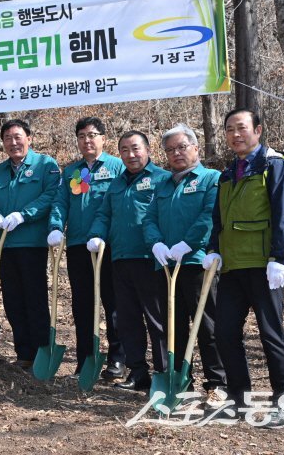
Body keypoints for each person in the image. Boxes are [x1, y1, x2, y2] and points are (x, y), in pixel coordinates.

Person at [206, 109, 284, 428]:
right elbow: (218, 218)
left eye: (242, 128)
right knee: (226, 332)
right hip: (232, 268)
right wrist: (214, 250)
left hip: (264, 265)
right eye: (229, 129)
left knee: (272, 333)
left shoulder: (275, 166)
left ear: (257, 130)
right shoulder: (228, 173)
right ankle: (238, 399)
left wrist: (279, 258)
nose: (235, 134)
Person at [143, 123, 227, 401]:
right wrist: (156, 243)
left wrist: (188, 244)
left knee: (207, 325)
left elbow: (209, 216)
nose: (176, 153)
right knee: (172, 327)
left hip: (197, 264)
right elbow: (149, 218)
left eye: (182, 147)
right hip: (166, 265)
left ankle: (217, 382)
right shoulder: (161, 184)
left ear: (195, 147)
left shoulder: (211, 179)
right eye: (170, 149)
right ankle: (180, 381)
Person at [87, 130, 171, 390]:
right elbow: (104, 214)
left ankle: (164, 373)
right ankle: (138, 372)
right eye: (124, 150)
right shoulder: (117, 183)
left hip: (151, 260)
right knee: (126, 319)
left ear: (147, 150)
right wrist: (97, 235)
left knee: (157, 320)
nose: (131, 154)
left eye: (135, 148)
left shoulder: (162, 179)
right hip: (120, 259)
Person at [47, 117, 126, 380]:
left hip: (109, 246)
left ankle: (118, 359)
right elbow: (60, 202)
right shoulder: (72, 171)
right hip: (79, 245)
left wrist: (105, 234)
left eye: (92, 135)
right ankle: (86, 358)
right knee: (82, 304)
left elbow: (121, 204)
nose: (87, 140)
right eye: (81, 136)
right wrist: (56, 227)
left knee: (113, 303)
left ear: (104, 138)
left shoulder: (117, 167)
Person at [0, 119, 61, 370]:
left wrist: (24, 214)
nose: (13, 143)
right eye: (7, 138)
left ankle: (41, 351)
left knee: (34, 297)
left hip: (33, 242)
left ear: (29, 138)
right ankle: (23, 352)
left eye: (18, 137)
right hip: (6, 244)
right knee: (13, 299)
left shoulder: (46, 165)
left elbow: (51, 195)